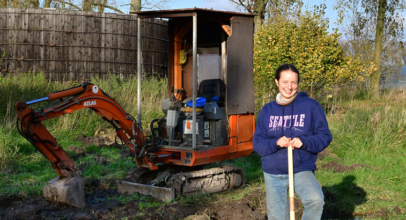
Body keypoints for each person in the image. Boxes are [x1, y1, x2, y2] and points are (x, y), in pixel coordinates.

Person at [253, 64, 332, 220]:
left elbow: (324, 136)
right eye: (285, 82)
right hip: (273, 173)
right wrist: (276, 143)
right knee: (277, 217)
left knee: (316, 200)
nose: (289, 87)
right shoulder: (267, 111)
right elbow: (258, 144)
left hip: (301, 169)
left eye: (293, 82)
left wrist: (304, 141)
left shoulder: (311, 106)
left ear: (298, 83)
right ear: (277, 82)